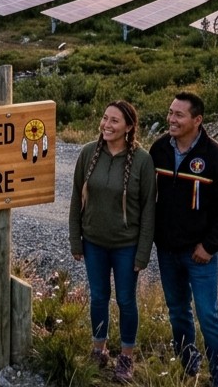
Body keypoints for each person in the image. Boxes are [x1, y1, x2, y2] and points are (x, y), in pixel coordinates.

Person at [150, 91, 218, 387]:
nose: (171, 119)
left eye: (179, 115)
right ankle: (188, 367)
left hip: (200, 253)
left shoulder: (216, 156)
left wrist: (210, 246)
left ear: (197, 120)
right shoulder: (160, 149)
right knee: (178, 312)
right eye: (170, 113)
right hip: (167, 249)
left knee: (208, 315)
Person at [69, 100, 156, 383]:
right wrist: (75, 240)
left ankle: (126, 357)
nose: (107, 125)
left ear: (129, 127)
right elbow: (75, 200)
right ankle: (99, 349)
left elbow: (148, 212)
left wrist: (142, 253)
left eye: (114, 121)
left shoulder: (143, 161)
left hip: (126, 246)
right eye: (105, 118)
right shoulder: (87, 153)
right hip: (93, 242)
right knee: (98, 297)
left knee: (126, 300)